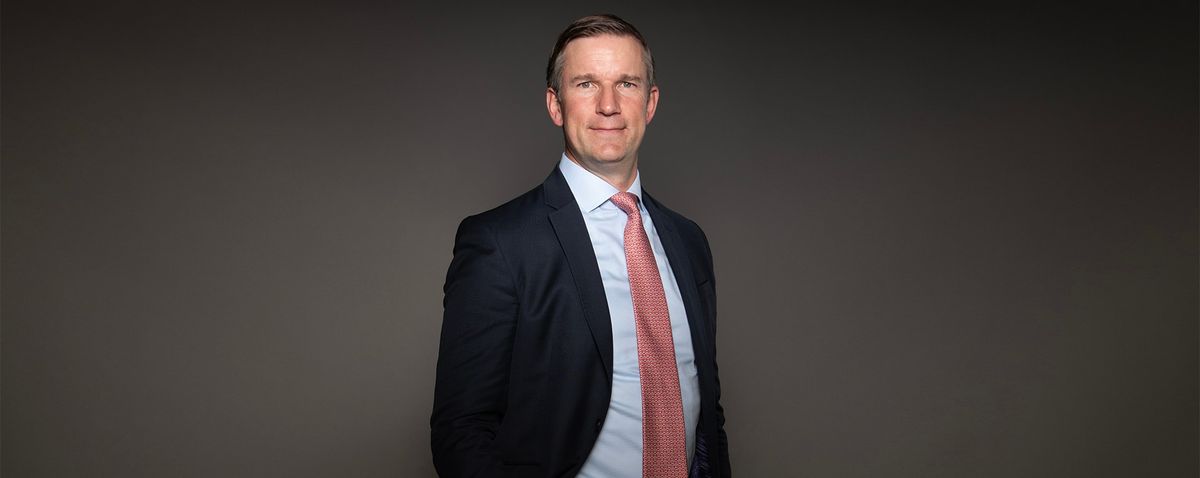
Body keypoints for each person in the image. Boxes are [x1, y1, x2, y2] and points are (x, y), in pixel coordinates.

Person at [431, 14, 730, 478]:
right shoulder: (499, 243)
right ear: (555, 105)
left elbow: (707, 410)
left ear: (650, 103)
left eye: (626, 84)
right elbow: (462, 431)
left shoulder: (689, 242)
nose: (608, 105)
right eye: (587, 84)